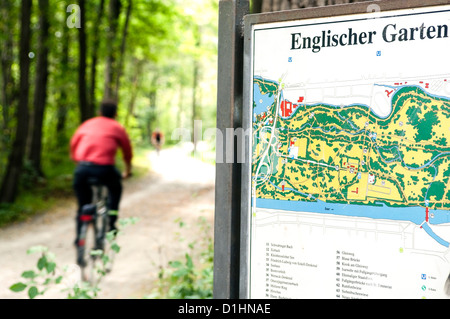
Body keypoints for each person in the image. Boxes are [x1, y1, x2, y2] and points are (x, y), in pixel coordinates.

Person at [70, 99, 133, 247]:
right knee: (116, 188)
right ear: (115, 114)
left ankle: (80, 235)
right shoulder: (117, 127)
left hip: (82, 169)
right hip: (105, 169)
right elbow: (127, 151)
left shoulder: (87, 124)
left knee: (83, 204)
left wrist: (77, 162)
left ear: (99, 112)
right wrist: (128, 171)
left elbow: (74, 143)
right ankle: (111, 224)